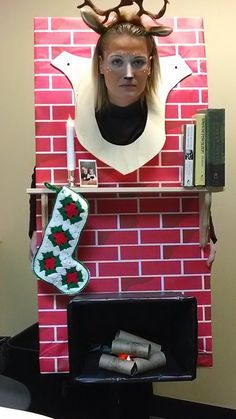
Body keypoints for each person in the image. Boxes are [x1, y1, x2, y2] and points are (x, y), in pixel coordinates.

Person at [29, 2, 217, 265]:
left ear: (150, 66)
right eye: (117, 61)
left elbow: (190, 167)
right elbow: (46, 168)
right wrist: (35, 230)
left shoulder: (162, 112)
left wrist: (207, 233)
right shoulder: (85, 109)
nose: (128, 74)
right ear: (101, 64)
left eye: (138, 62)